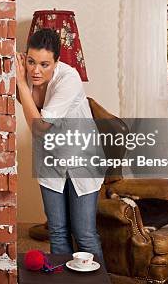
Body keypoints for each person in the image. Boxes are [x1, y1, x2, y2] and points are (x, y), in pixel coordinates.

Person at [15, 28, 105, 264]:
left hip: (82, 161)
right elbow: (29, 106)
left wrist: (21, 85)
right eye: (32, 62)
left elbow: (39, 127)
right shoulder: (29, 75)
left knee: (84, 234)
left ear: (57, 61)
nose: (36, 70)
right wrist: (22, 82)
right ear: (25, 57)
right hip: (51, 161)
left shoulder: (69, 78)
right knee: (57, 233)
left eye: (45, 64)